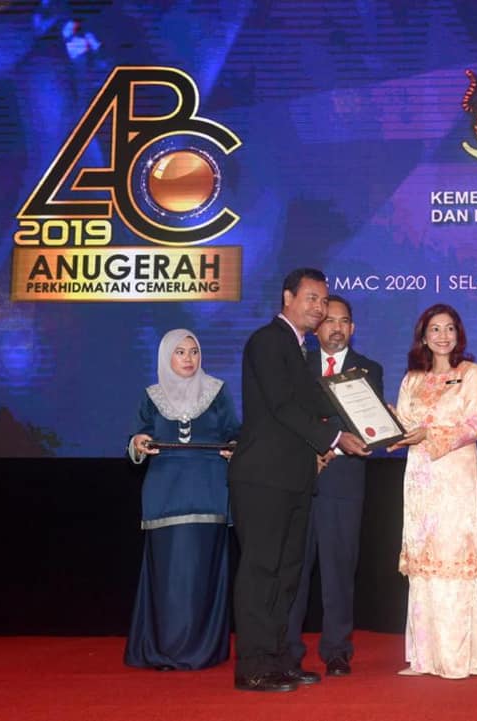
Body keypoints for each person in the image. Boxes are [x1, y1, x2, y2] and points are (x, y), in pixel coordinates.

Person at [229, 268, 370, 692]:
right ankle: (254, 667)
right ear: (288, 297)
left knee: (287, 574)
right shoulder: (267, 341)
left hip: (294, 478)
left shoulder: (298, 347)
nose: (319, 308)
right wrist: (337, 437)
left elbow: (316, 400)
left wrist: (375, 418)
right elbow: (284, 406)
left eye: (324, 301)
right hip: (263, 478)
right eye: (311, 298)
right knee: (262, 572)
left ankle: (281, 660)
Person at [124, 329, 239, 671]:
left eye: (194, 351)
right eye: (180, 352)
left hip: (209, 491)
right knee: (168, 577)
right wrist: (138, 443)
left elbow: (234, 432)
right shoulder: (152, 395)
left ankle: (201, 651)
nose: (189, 359)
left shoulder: (217, 392)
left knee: (201, 574)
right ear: (166, 357)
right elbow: (137, 437)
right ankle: (164, 650)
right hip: (166, 494)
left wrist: (235, 448)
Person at [389, 303, 477, 679]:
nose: (443, 335)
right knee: (423, 561)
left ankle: (456, 659)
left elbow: (475, 425)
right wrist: (384, 425)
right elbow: (402, 425)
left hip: (455, 476)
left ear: (458, 334)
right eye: (435, 329)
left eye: (449, 328)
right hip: (419, 477)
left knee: (451, 558)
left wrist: (428, 434)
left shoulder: (472, 374)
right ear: (423, 336)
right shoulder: (412, 379)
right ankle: (423, 658)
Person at [286, 295, 384, 677]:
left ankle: (337, 650)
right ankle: (287, 649)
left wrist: (332, 447)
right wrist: (310, 451)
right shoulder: (297, 365)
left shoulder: (368, 370)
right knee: (293, 567)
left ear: (352, 328)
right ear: (316, 327)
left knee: (339, 569)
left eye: (343, 321)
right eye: (329, 321)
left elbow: (367, 426)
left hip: (344, 479)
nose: (336, 328)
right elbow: (289, 417)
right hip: (299, 476)